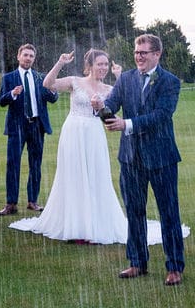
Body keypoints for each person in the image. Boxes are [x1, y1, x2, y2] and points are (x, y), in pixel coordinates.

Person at [91, 34, 185, 287]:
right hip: (131, 158)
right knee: (134, 212)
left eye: (144, 52)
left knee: (169, 213)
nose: (138, 56)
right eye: (136, 51)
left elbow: (161, 115)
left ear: (157, 54)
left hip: (162, 158)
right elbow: (112, 105)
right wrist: (101, 107)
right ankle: (137, 262)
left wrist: (127, 124)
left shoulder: (170, 82)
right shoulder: (125, 78)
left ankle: (175, 266)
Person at [10, 49, 129, 242]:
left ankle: (95, 224)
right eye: (100, 64)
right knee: (73, 175)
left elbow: (119, 105)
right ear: (90, 65)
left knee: (95, 176)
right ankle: (75, 225)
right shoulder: (75, 81)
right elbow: (47, 84)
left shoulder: (108, 89)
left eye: (106, 64)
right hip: (73, 133)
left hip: (94, 134)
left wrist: (119, 76)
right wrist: (60, 62)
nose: (103, 68)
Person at [0, 43, 58, 216]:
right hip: (17, 126)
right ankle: (11, 204)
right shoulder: (9, 78)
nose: (28, 58)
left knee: (35, 164)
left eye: (31, 56)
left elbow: (52, 98)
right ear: (18, 56)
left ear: (34, 58)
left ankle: (33, 201)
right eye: (25, 55)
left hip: (37, 126)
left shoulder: (41, 78)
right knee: (13, 164)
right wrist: (13, 94)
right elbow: (1, 101)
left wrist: (53, 91)